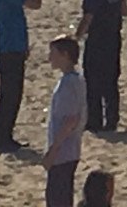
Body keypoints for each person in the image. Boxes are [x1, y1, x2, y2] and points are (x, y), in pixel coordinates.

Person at [0, 0, 42, 154]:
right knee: (9, 96)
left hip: (14, 49)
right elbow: (35, 3)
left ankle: (6, 137)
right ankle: (2, 139)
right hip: (9, 50)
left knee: (13, 96)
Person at [75, 0, 127, 133]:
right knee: (111, 80)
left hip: (97, 40)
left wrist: (77, 36)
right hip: (113, 38)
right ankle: (112, 120)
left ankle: (94, 121)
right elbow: (124, 10)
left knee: (93, 80)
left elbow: (88, 18)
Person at [43, 35, 87, 207]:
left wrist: (53, 150)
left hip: (63, 153)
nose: (50, 58)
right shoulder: (76, 79)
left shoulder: (69, 84)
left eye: (53, 53)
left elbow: (71, 121)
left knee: (57, 200)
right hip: (70, 152)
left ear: (65, 55)